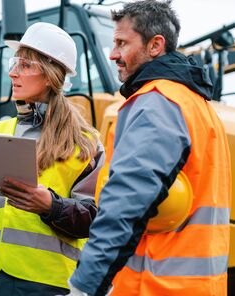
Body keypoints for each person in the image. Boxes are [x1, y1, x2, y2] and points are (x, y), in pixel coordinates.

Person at [68, 0, 231, 295]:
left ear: (155, 45)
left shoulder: (156, 101)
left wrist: (85, 284)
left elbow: (126, 203)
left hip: (153, 285)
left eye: (121, 43)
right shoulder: (198, 105)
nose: (113, 54)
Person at [0, 22, 105, 296]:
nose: (12, 73)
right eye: (14, 63)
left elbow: (98, 219)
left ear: (49, 75)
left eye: (24, 65)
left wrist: (52, 206)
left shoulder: (85, 144)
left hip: (44, 283)